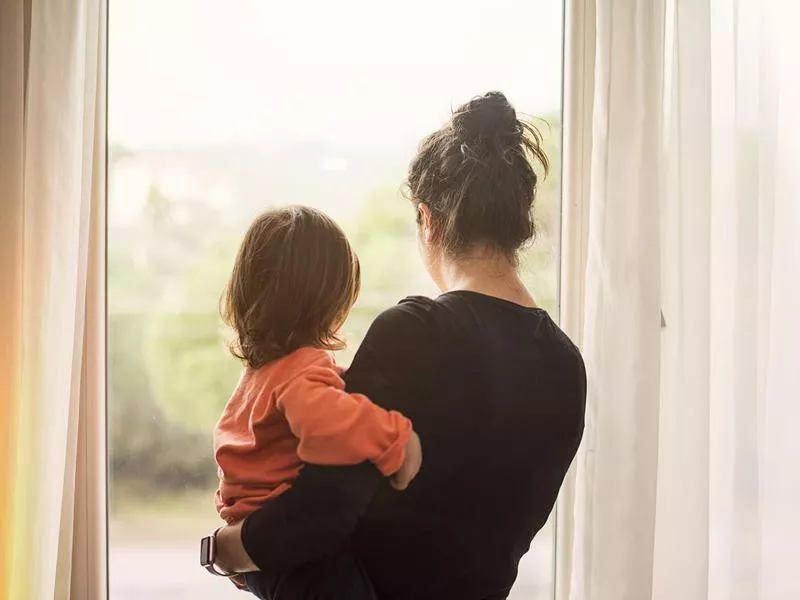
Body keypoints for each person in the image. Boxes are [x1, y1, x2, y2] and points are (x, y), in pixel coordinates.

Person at [209, 91, 587, 600]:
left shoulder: (415, 332)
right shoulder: (565, 364)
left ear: (427, 220)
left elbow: (320, 511)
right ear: (515, 223)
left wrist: (223, 549)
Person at [210, 206, 423, 593]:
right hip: (303, 560)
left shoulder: (259, 376)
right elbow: (332, 428)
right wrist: (395, 438)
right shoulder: (302, 372)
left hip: (261, 554)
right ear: (332, 308)